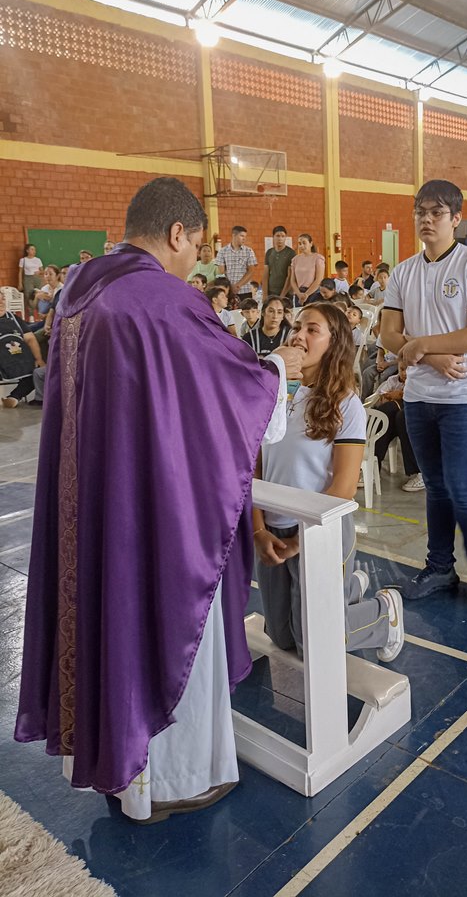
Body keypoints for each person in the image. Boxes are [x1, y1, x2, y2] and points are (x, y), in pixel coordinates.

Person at [14, 176, 303, 823]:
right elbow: (226, 392)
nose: (194, 263)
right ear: (178, 233)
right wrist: (281, 366)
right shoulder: (159, 298)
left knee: (104, 617)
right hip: (149, 509)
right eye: (196, 248)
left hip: (92, 499)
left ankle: (120, 768)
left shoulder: (79, 289)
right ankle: (174, 780)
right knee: (168, 620)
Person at [254, 302, 403, 661]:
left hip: (320, 530)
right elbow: (254, 471)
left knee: (312, 643)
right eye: (297, 326)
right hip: (273, 527)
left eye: (312, 329)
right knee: (280, 636)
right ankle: (349, 588)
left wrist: (300, 542)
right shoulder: (269, 394)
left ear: (334, 344)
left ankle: (384, 615)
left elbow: (343, 488)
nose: (298, 335)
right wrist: (258, 530)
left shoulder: (344, 404)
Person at [380, 179, 467, 601]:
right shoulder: (404, 271)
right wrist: (427, 356)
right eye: (421, 212)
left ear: (456, 218)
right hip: (419, 396)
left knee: (461, 484)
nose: (427, 220)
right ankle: (439, 567)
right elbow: (389, 334)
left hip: (465, 396)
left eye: (437, 213)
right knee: (434, 485)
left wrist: (421, 344)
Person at [371, 361, 424, 492]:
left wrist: (400, 394)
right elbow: (380, 396)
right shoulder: (393, 380)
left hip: (424, 404)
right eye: (402, 369)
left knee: (402, 416)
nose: (405, 373)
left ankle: (421, 472)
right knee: (385, 414)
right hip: (403, 405)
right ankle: (372, 465)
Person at [0, 292, 46, 408]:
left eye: (3, 299)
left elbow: (30, 339)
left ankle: (14, 397)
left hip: (20, 360)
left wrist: (39, 359)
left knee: (35, 373)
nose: (1, 303)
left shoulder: (14, 318)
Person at [216, 226, 258, 306]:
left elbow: (251, 271)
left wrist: (238, 285)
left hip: (245, 291)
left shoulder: (249, 251)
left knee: (246, 315)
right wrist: (229, 287)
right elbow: (221, 272)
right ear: (234, 235)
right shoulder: (222, 251)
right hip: (228, 291)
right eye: (242, 236)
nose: (244, 239)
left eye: (245, 236)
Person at [287, 233, 325, 306]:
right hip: (299, 294)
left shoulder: (318, 258)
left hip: (313, 293)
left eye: (304, 243)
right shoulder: (295, 259)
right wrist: (299, 294)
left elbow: (319, 279)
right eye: (299, 243)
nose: (301, 246)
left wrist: (306, 294)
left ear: (311, 243)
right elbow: (292, 280)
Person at [262, 225, 295, 298]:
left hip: (286, 294)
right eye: (277, 236)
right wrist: (264, 294)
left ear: (286, 237)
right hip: (271, 292)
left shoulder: (291, 253)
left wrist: (282, 296)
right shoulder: (269, 252)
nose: (280, 238)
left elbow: (290, 276)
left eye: (283, 236)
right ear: (273, 237)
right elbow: (265, 274)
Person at [18, 243, 43, 313]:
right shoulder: (23, 260)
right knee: (28, 295)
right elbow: (20, 272)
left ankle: (40, 312)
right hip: (28, 278)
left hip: (37, 278)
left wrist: (39, 272)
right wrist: (20, 283)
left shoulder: (38, 260)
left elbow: (43, 271)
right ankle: (31, 314)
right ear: (27, 250)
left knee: (40, 294)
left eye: (34, 250)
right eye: (32, 249)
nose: (34, 251)